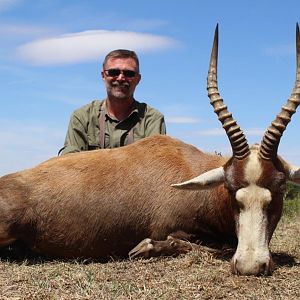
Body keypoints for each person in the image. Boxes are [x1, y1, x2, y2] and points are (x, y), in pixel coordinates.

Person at [59, 49, 166, 155]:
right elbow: (69, 163)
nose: (120, 78)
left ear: (138, 79)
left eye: (129, 73)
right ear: (103, 75)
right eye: (113, 72)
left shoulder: (152, 119)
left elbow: (155, 164)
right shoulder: (82, 117)